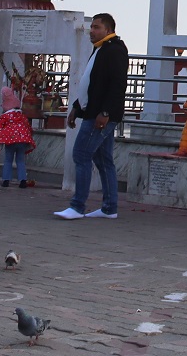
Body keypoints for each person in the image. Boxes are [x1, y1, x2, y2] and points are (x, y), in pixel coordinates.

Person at [53, 13, 127, 220]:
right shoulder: (100, 49)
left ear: (108, 29)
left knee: (81, 154)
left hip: (100, 115)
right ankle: (109, 208)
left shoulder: (115, 50)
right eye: (91, 27)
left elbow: (117, 85)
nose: (91, 31)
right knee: (103, 160)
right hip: (92, 111)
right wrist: (77, 108)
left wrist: (106, 112)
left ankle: (77, 206)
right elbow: (91, 83)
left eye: (96, 27)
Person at [0, 85, 36, 187]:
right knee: (20, 160)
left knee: (8, 160)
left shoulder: (5, 116)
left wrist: (1, 135)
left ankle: (6, 180)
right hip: (23, 141)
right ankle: (22, 181)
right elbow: (29, 128)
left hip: (10, 141)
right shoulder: (22, 116)